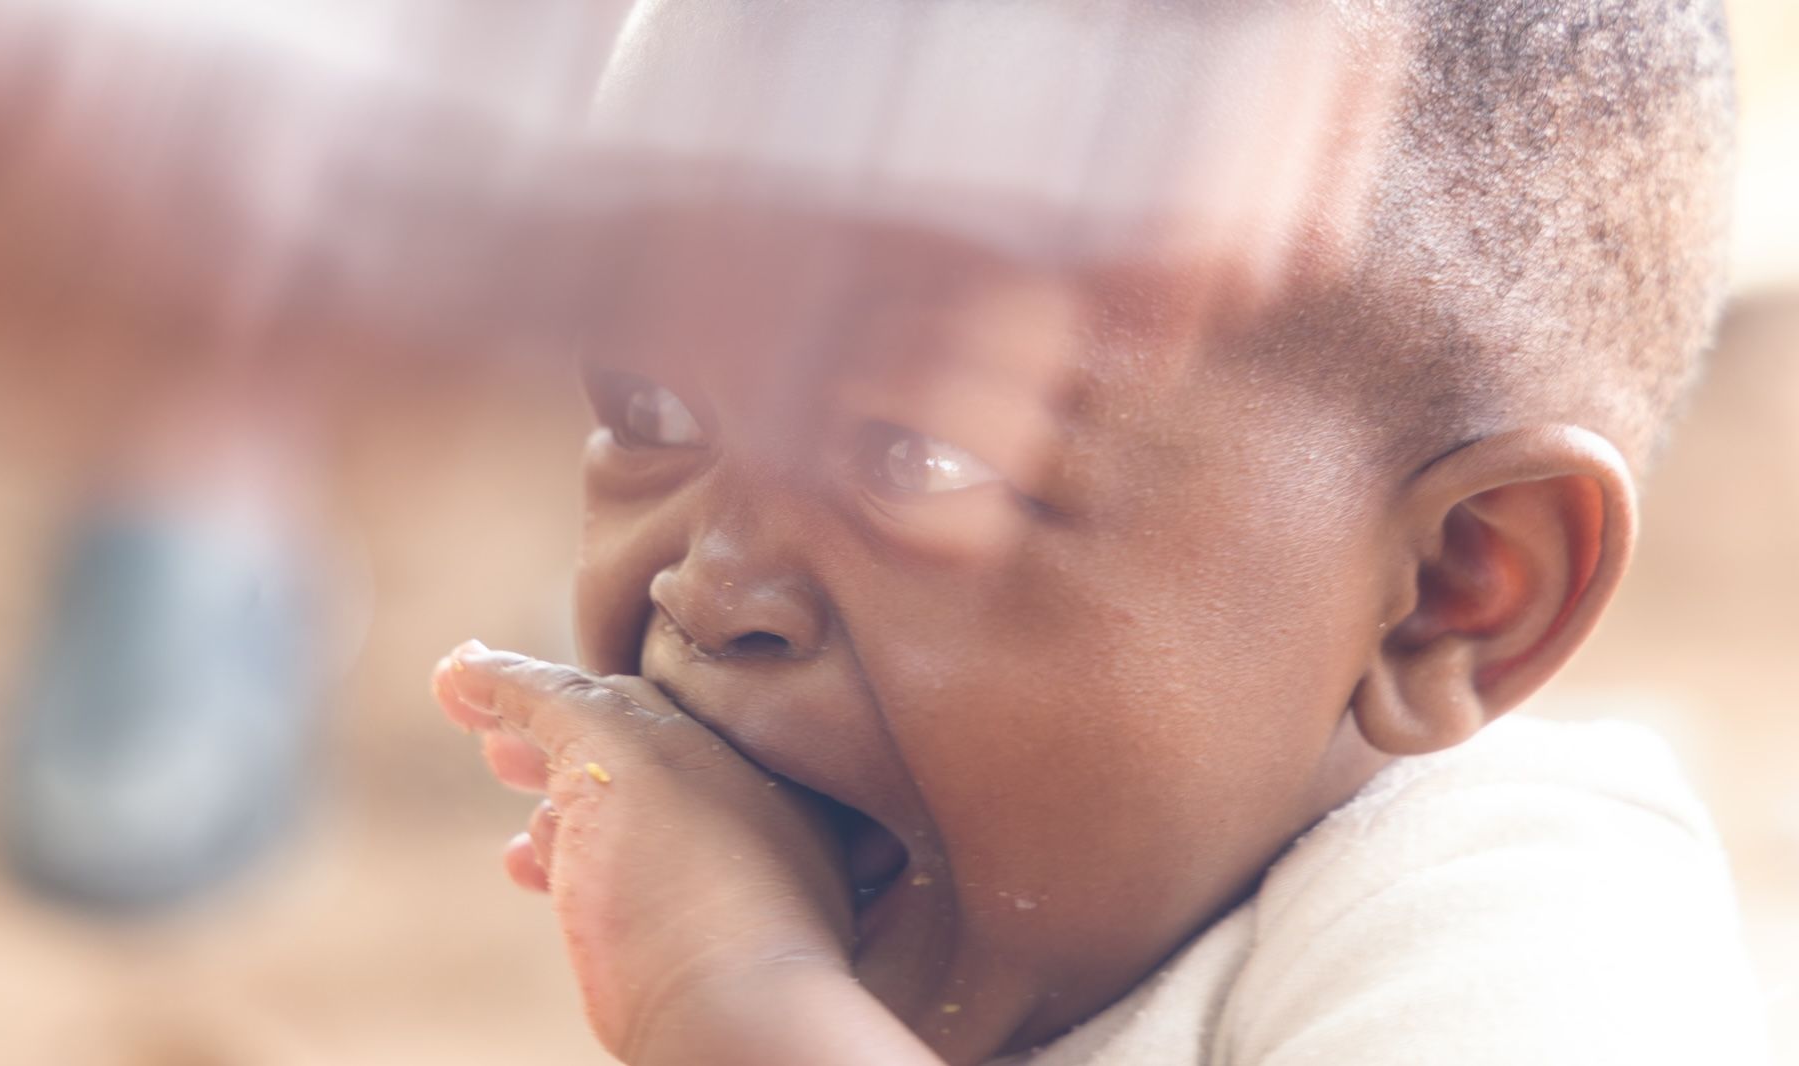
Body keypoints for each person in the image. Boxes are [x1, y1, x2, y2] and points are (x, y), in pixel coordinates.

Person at [429, 0, 1772, 1062]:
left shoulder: (1520, 923)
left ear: (1455, 592)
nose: (710, 584)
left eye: (915, 451)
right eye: (652, 403)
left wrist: (733, 999)